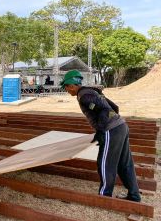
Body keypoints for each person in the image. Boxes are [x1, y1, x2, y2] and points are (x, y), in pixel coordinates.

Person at [60, 70, 141, 202]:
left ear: (72, 85)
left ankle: (104, 197)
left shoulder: (84, 96)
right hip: (121, 126)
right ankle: (134, 195)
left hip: (112, 130)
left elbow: (105, 110)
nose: (66, 90)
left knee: (105, 163)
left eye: (66, 87)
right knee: (124, 164)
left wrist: (102, 130)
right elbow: (114, 107)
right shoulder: (92, 91)